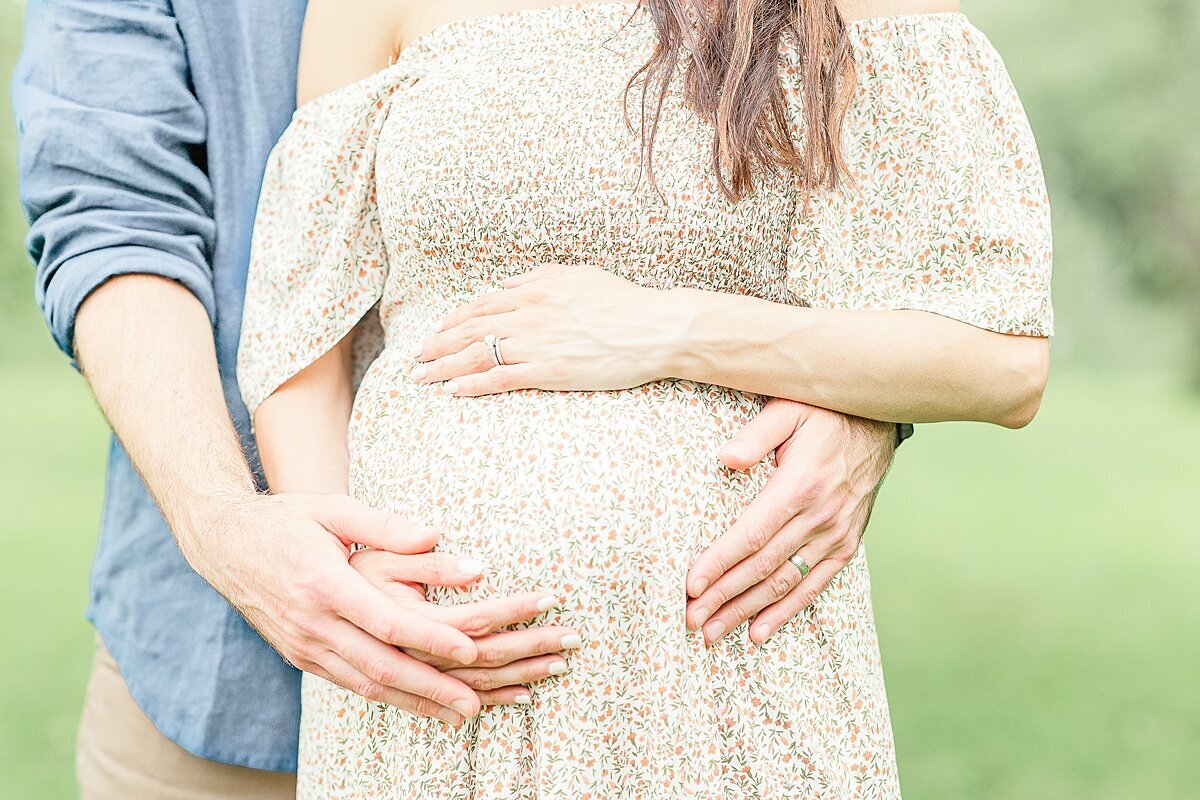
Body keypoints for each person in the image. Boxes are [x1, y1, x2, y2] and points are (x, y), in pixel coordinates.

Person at [13, 1, 907, 796]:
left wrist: (865, 404)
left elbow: (853, 217)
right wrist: (224, 521)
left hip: (677, 678)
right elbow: (114, 224)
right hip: (216, 655)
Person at [238, 0, 1052, 797]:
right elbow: (301, 325)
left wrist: (669, 330)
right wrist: (352, 569)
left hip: (716, 673)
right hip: (428, 684)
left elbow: (1000, 358)